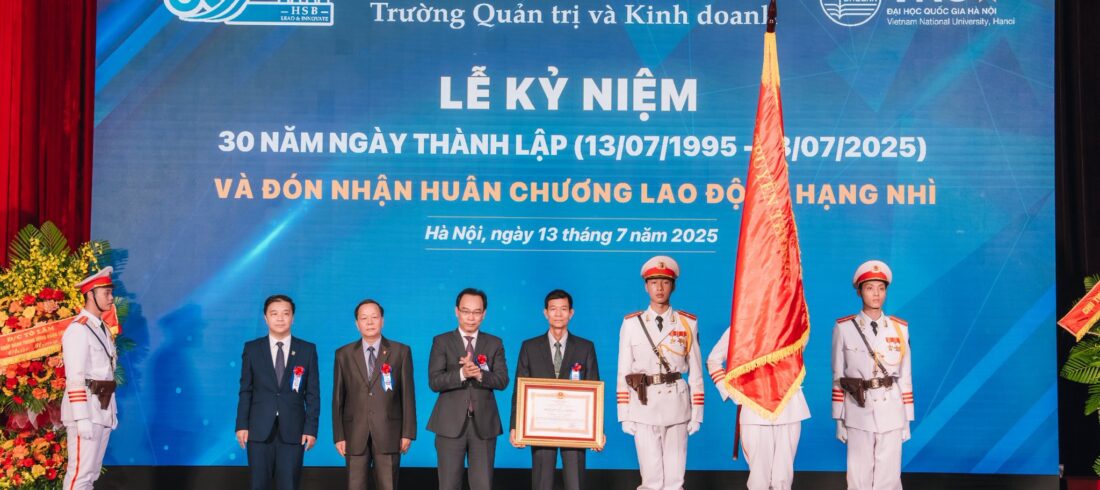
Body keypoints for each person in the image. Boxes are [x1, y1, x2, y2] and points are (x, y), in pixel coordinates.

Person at [616, 256, 705, 490]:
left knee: (675, 479)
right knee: (650, 479)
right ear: (646, 286)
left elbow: (696, 372)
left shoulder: (687, 323)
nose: (659, 288)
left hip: (676, 403)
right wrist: (624, 413)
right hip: (643, 404)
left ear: (673, 286)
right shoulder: (631, 323)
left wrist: (697, 413)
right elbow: (623, 371)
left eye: (665, 282)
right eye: (654, 282)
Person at [832, 260, 914, 490]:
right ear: (859, 292)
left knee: (889, 475)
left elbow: (905, 376)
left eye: (881, 288)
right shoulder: (844, 328)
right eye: (869, 288)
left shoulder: (900, 328)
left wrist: (907, 419)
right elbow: (838, 376)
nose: (876, 294)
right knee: (859, 474)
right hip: (858, 407)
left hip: (892, 408)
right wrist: (839, 419)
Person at [509, 289, 602, 490]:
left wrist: (597, 430)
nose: (558, 314)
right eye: (553, 309)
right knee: (542, 482)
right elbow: (519, 389)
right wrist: (516, 426)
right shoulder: (529, 347)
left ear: (571, 313)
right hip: (540, 426)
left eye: (563, 309)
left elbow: (594, 389)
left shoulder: (586, 347)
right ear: (545, 313)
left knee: (576, 482)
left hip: (576, 427)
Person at [706, 327, 810, 490]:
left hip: (788, 406)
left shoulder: (793, 322)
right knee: (759, 479)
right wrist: (732, 392)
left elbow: (798, 350)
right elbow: (713, 360)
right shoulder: (741, 325)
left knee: (783, 479)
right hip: (755, 408)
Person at [427, 288, 509, 490]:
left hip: (484, 426)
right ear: (457, 311)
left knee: (483, 485)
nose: (471, 317)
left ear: (484, 314)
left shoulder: (494, 343)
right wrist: (462, 374)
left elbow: (502, 381)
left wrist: (479, 374)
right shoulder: (442, 341)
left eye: (476, 312)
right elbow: (435, 382)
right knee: (449, 485)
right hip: (449, 425)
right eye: (466, 311)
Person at [235, 294, 320, 490]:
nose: (280, 318)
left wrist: (311, 428)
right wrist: (241, 424)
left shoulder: (307, 350)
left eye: (285, 313)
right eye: (274, 314)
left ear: (293, 318)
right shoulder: (252, 349)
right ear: (265, 318)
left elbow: (313, 394)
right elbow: (245, 390)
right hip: (258, 430)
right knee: (258, 485)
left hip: (294, 430)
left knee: (289, 484)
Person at [332, 299, 416, 490]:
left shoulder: (400, 352)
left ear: (382, 320)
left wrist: (407, 432)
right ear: (357, 323)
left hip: (389, 433)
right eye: (364, 318)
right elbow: (338, 398)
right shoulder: (343, 354)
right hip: (354, 433)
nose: (369, 322)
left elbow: (408, 396)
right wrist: (339, 435)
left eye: (374, 317)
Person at [62, 267, 120, 489]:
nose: (111, 298)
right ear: (90, 294)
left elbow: (106, 372)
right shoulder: (78, 330)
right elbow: (75, 376)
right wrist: (81, 418)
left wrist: (111, 412)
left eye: (110, 292)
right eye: (106, 293)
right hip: (86, 410)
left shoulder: (101, 328)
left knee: (91, 475)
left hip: (102, 408)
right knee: (80, 475)